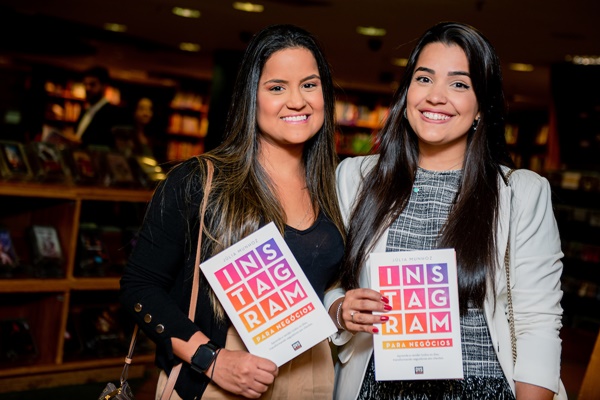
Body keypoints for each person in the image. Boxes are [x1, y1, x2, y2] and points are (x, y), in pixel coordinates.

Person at [325, 22, 565, 400]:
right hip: (375, 387)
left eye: (459, 84)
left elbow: (539, 321)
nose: (436, 96)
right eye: (424, 79)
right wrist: (340, 310)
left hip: (482, 389)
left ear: (481, 108)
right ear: (406, 96)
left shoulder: (520, 192)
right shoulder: (355, 178)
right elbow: (330, 280)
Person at [120, 24, 344, 400]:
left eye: (309, 84)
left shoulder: (336, 187)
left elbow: (328, 283)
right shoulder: (199, 181)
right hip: (219, 379)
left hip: (312, 379)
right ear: (250, 97)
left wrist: (341, 306)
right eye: (276, 87)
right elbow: (139, 287)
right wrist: (211, 359)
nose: (297, 101)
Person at [73, 65, 121, 148]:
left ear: (104, 86)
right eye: (85, 84)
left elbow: (109, 146)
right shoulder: (85, 110)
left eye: (92, 84)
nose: (87, 88)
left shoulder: (112, 113)